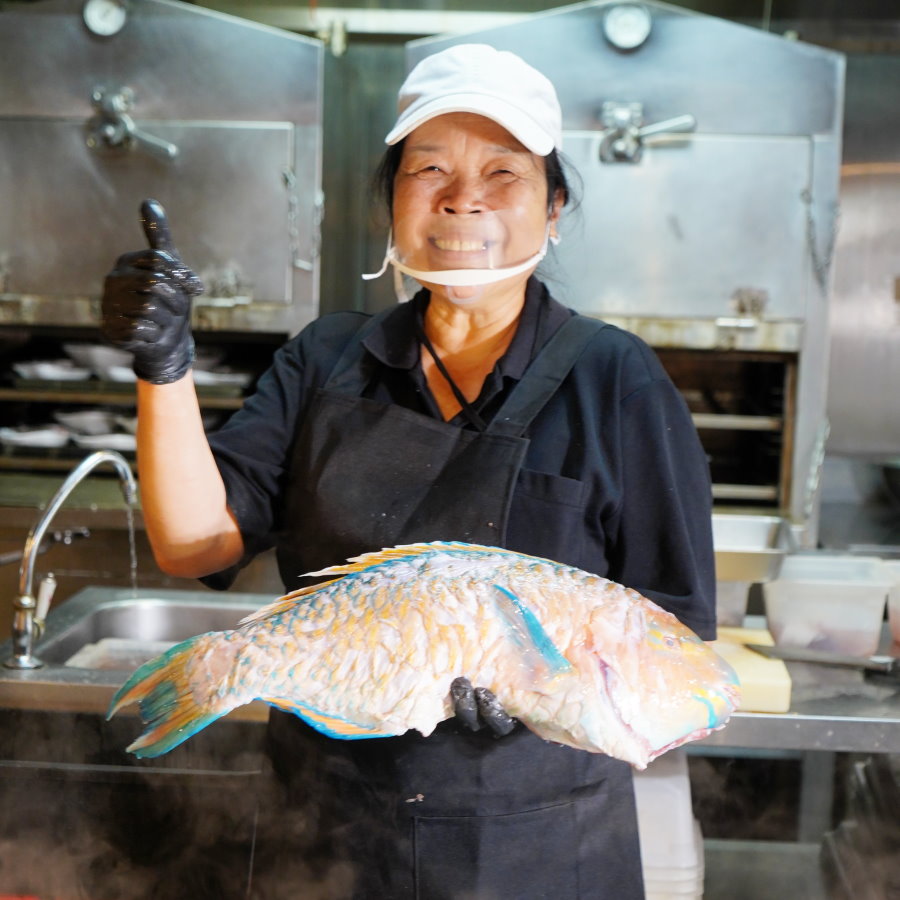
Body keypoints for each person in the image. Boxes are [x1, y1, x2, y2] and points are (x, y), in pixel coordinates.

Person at [101, 42, 716, 900]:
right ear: (392, 200)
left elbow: (677, 638)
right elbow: (193, 545)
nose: (464, 197)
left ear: (556, 205)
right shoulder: (325, 357)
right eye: (430, 167)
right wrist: (164, 368)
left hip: (540, 847)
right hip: (322, 831)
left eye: (503, 172)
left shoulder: (618, 381)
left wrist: (546, 700)